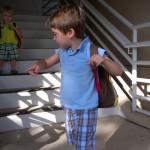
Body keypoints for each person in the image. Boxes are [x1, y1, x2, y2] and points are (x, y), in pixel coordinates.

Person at [26, 4, 122, 150]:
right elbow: (46, 62)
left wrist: (104, 61)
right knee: (75, 140)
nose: (53, 38)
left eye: (55, 34)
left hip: (86, 108)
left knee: (84, 145)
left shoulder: (91, 50)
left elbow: (118, 71)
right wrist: (39, 65)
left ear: (70, 32)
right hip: (68, 106)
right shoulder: (62, 51)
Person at [0, 5, 22, 75]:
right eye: (5, 15)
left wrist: (14, 28)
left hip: (13, 44)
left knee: (13, 58)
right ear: (1, 15)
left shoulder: (14, 25)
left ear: (12, 16)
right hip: (2, 44)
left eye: (9, 16)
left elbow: (20, 34)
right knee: (1, 58)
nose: (7, 18)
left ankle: (13, 69)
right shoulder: (0, 25)